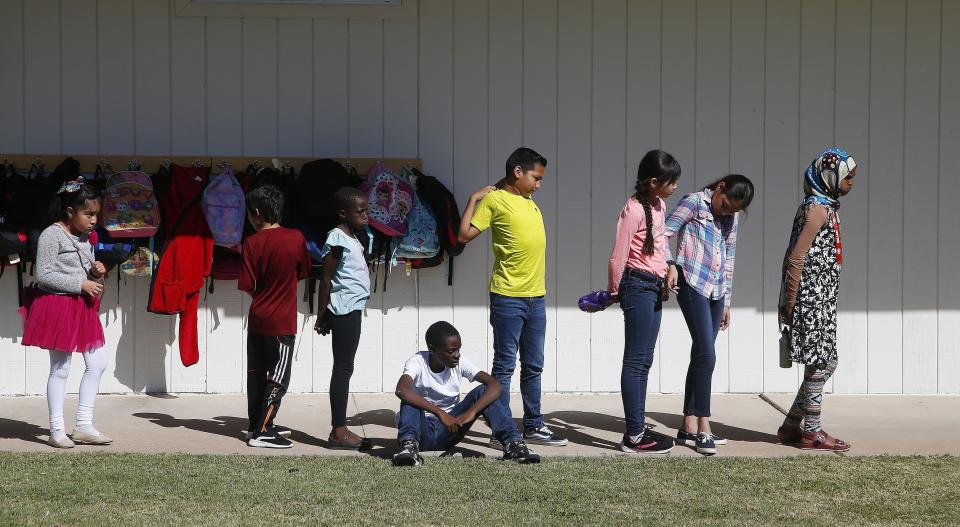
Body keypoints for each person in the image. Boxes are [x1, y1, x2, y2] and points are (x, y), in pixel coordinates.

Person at [458, 147, 567, 447]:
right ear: (518, 172)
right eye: (536, 177)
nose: (539, 184)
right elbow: (463, 235)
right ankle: (502, 431)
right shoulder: (494, 200)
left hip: (537, 298)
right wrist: (473, 199)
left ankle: (533, 425)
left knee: (534, 365)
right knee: (505, 365)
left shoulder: (529, 201)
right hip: (508, 296)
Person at [664, 173, 755, 455]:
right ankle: (704, 424)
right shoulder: (693, 203)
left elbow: (729, 255)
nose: (726, 211)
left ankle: (687, 426)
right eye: (726, 204)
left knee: (702, 353)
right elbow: (663, 232)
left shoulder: (733, 217)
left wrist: (727, 300)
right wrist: (671, 264)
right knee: (707, 354)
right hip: (692, 283)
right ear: (719, 188)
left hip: (716, 290)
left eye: (733, 210)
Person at [776, 147, 857, 452]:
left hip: (821, 298)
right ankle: (812, 431)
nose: (850, 183)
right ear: (829, 176)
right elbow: (796, 257)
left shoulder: (824, 206)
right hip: (809, 299)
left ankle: (790, 427)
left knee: (826, 361)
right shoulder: (816, 209)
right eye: (847, 177)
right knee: (820, 362)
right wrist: (792, 302)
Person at [21, 178, 111, 448]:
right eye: (89, 214)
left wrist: (95, 274)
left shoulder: (86, 238)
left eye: (96, 214)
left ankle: (83, 424)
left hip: (82, 308)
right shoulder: (51, 234)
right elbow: (44, 274)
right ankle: (56, 429)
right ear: (70, 212)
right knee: (60, 369)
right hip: (59, 307)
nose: (94, 220)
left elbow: (83, 273)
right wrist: (79, 283)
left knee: (98, 363)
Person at [607, 150, 681, 454]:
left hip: (653, 287)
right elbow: (619, 253)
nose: (675, 187)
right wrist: (614, 291)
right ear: (654, 182)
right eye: (671, 182)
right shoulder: (633, 210)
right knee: (635, 361)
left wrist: (670, 267)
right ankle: (635, 436)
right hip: (636, 286)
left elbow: (661, 243)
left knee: (645, 360)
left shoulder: (659, 205)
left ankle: (637, 427)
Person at [392, 321, 541, 466]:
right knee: (409, 395)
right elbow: (401, 389)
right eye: (451, 351)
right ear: (432, 350)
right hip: (421, 430)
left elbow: (495, 385)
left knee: (484, 390)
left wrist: (471, 412)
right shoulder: (417, 362)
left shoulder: (460, 362)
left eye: (458, 349)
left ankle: (514, 445)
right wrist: (440, 413)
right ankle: (409, 447)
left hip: (451, 430)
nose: (457, 355)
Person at [239, 184, 312, 449]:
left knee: (256, 374)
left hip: (257, 317)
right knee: (278, 377)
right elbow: (302, 272)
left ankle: (254, 425)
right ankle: (262, 430)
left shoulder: (250, 242)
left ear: (256, 213)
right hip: (282, 321)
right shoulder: (295, 238)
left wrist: (263, 297)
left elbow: (248, 284)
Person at [314, 187, 372, 450]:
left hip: (351, 309)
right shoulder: (337, 237)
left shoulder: (353, 238)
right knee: (343, 368)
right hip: (344, 310)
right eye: (360, 211)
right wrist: (322, 314)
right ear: (342, 213)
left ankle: (339, 430)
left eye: (366, 210)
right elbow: (325, 278)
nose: (366, 216)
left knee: (345, 367)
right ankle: (339, 431)